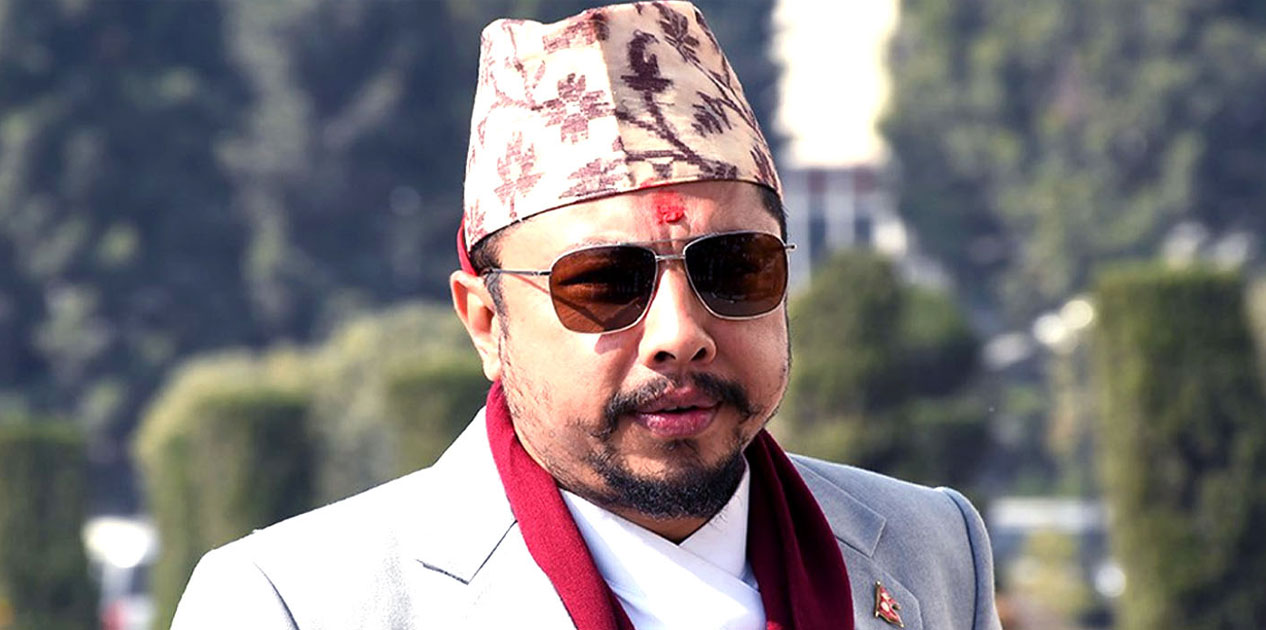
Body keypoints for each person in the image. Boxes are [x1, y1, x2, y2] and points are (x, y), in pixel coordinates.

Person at [172, 3, 1003, 629]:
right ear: (486, 324)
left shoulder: (930, 551)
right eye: (605, 284)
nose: (680, 334)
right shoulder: (295, 603)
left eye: (733, 269)